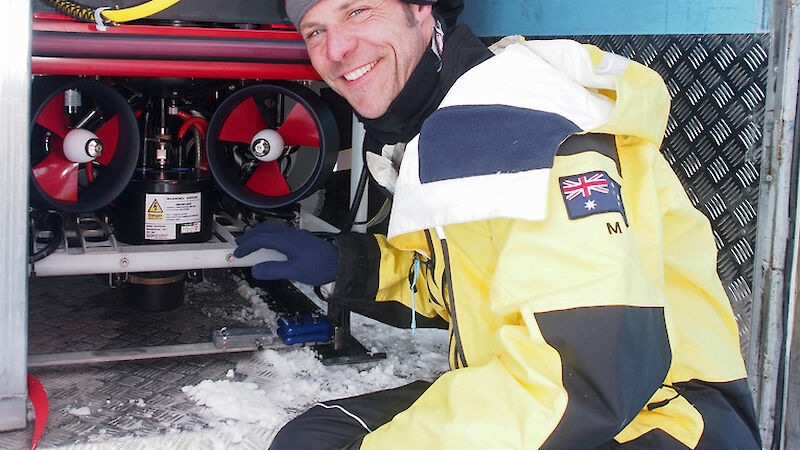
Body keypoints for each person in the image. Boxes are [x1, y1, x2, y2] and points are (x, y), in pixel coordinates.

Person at [233, 0, 762, 448]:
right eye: (316, 31)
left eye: (359, 11)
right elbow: (473, 287)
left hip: (653, 424)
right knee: (317, 436)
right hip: (568, 404)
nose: (337, 49)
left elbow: (582, 379)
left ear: (422, 10)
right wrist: (344, 262)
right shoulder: (457, 123)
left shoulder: (527, 127)